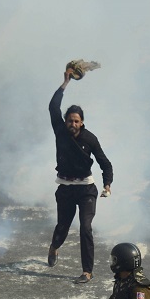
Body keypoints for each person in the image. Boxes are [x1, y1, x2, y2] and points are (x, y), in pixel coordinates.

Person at [47, 70, 114, 284]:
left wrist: (107, 184)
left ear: (82, 122)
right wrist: (65, 83)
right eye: (69, 121)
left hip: (86, 189)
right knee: (63, 227)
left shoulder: (90, 138)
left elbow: (105, 162)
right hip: (65, 188)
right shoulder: (60, 132)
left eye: (76, 121)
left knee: (86, 228)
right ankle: (54, 246)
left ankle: (87, 271)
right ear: (65, 122)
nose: (72, 124)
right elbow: (52, 107)